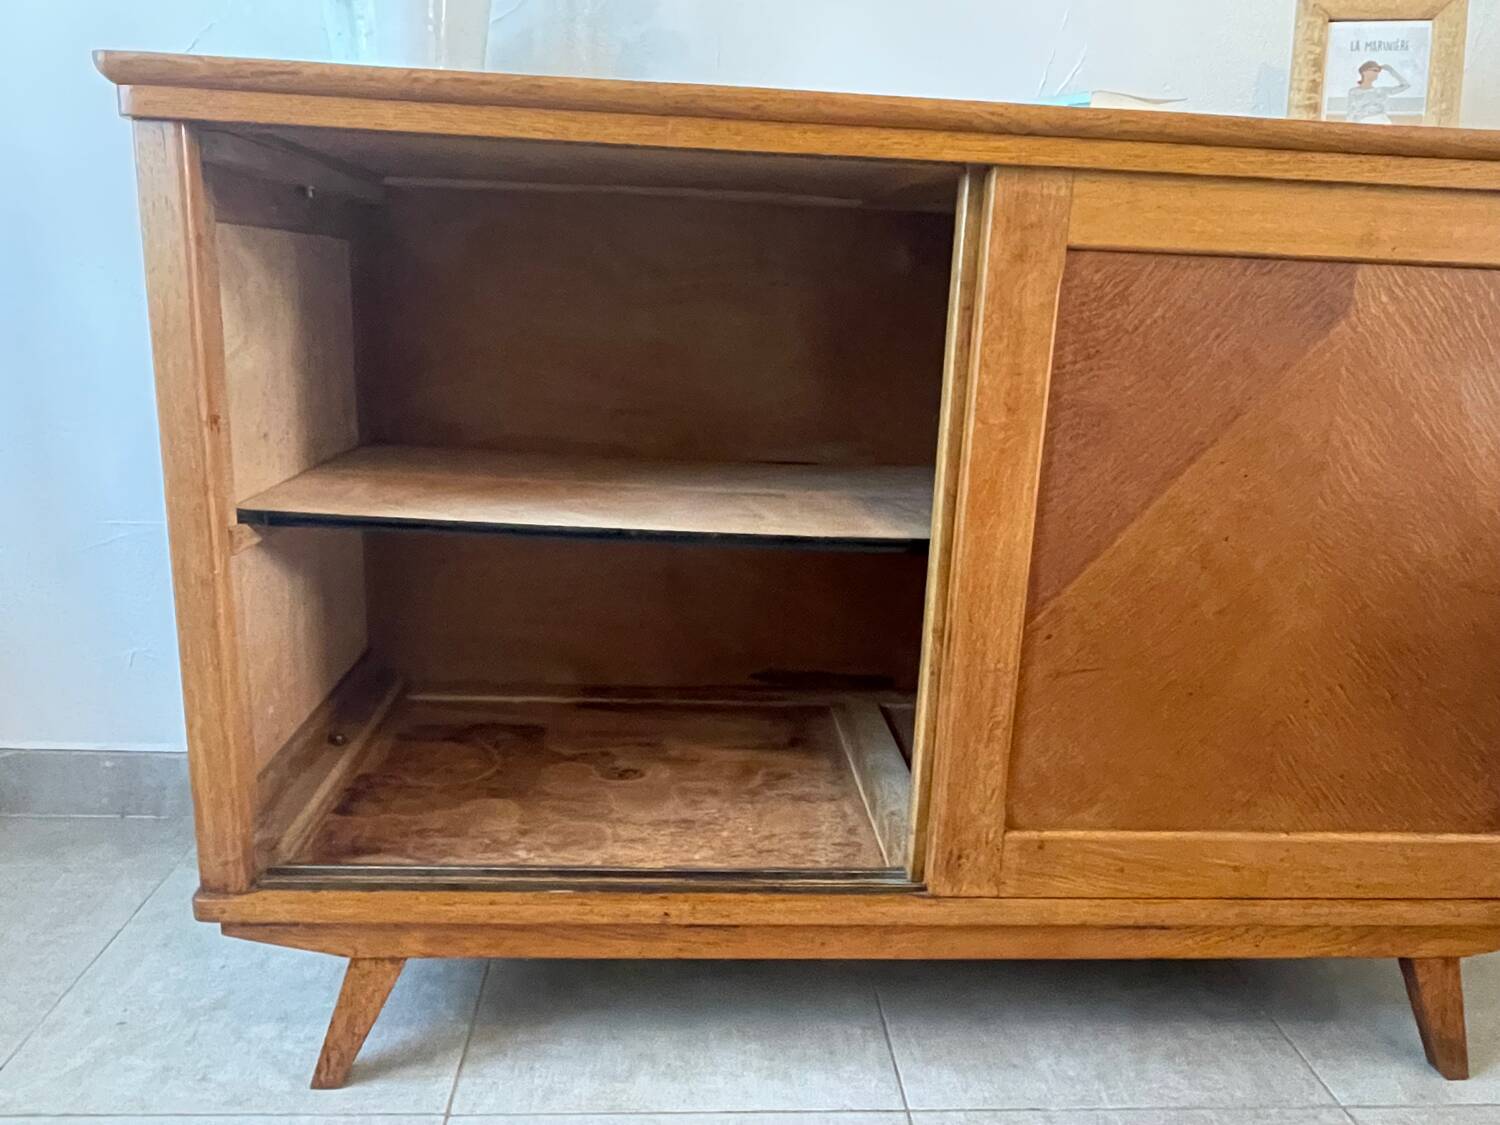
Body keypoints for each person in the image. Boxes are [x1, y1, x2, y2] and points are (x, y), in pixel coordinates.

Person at [1345, 60, 1410, 124]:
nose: (1376, 73)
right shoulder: (1353, 92)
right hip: (1364, 124)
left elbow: (1406, 85)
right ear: (1364, 72)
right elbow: (1350, 112)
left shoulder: (1381, 91)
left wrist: (1390, 70)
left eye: (1378, 72)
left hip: (1382, 123)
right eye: (1374, 70)